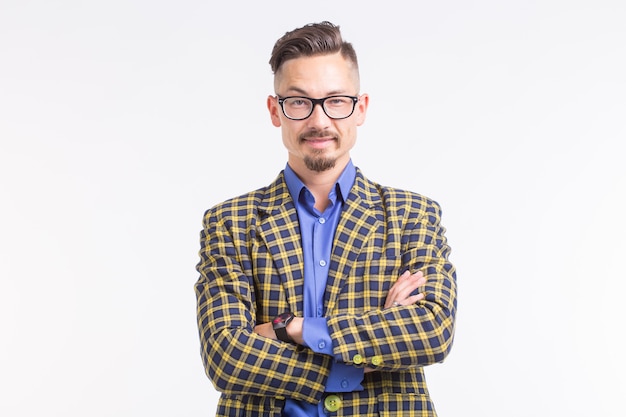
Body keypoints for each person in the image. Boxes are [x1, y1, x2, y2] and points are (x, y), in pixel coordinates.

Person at [194, 21, 457, 417]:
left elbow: (430, 330)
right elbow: (225, 354)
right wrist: (360, 353)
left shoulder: (412, 216)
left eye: (336, 101)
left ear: (360, 108)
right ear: (275, 110)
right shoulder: (231, 222)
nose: (319, 121)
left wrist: (291, 328)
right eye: (299, 102)